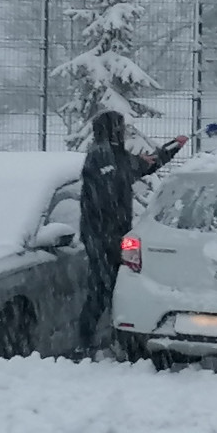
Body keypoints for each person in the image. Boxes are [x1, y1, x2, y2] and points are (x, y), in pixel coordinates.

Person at [76, 110, 186, 356]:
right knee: (102, 288)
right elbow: (114, 180)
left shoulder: (114, 155)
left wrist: (171, 149)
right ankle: (86, 342)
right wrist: (135, 164)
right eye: (120, 128)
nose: (122, 133)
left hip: (115, 233)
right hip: (101, 235)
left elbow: (141, 167)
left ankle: (110, 338)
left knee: (118, 285)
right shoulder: (100, 156)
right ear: (113, 130)